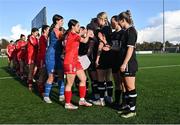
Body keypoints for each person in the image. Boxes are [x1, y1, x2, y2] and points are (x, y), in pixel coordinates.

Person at [64, 19, 94, 109]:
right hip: (69, 61)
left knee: (83, 79)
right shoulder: (72, 35)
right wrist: (87, 33)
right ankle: (67, 103)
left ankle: (81, 100)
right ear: (72, 27)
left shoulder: (73, 35)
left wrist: (86, 34)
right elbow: (83, 39)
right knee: (69, 84)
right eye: (77, 26)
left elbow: (84, 40)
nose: (79, 27)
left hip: (75, 61)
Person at [117, 10, 138, 118]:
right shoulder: (126, 31)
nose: (118, 24)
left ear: (123, 20)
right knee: (125, 86)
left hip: (129, 63)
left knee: (130, 87)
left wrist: (124, 64)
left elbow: (130, 49)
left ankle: (133, 110)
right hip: (125, 63)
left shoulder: (131, 31)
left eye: (118, 21)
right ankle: (127, 107)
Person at [93, 12, 113, 106]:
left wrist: (97, 59)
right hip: (109, 55)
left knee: (101, 79)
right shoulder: (109, 28)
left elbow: (100, 45)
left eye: (97, 19)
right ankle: (109, 97)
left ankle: (101, 100)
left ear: (101, 19)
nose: (97, 21)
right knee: (108, 79)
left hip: (103, 56)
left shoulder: (103, 30)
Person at [44, 14, 65, 103]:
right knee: (51, 77)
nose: (63, 22)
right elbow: (62, 37)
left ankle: (61, 94)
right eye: (61, 20)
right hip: (51, 55)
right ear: (57, 21)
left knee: (61, 75)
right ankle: (46, 96)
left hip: (59, 55)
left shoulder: (59, 30)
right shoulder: (55, 30)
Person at [110, 15, 125, 108]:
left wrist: (110, 47)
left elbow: (121, 48)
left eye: (113, 22)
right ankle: (117, 101)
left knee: (123, 83)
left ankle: (124, 103)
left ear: (118, 22)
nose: (111, 23)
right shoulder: (112, 34)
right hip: (113, 60)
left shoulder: (123, 33)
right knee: (117, 83)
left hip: (121, 61)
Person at [36, 25, 50, 97]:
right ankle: (40, 90)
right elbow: (43, 49)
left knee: (46, 75)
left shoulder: (46, 37)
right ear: (44, 30)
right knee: (42, 73)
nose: (49, 30)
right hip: (42, 58)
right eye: (48, 29)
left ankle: (42, 88)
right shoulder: (42, 37)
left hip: (46, 57)